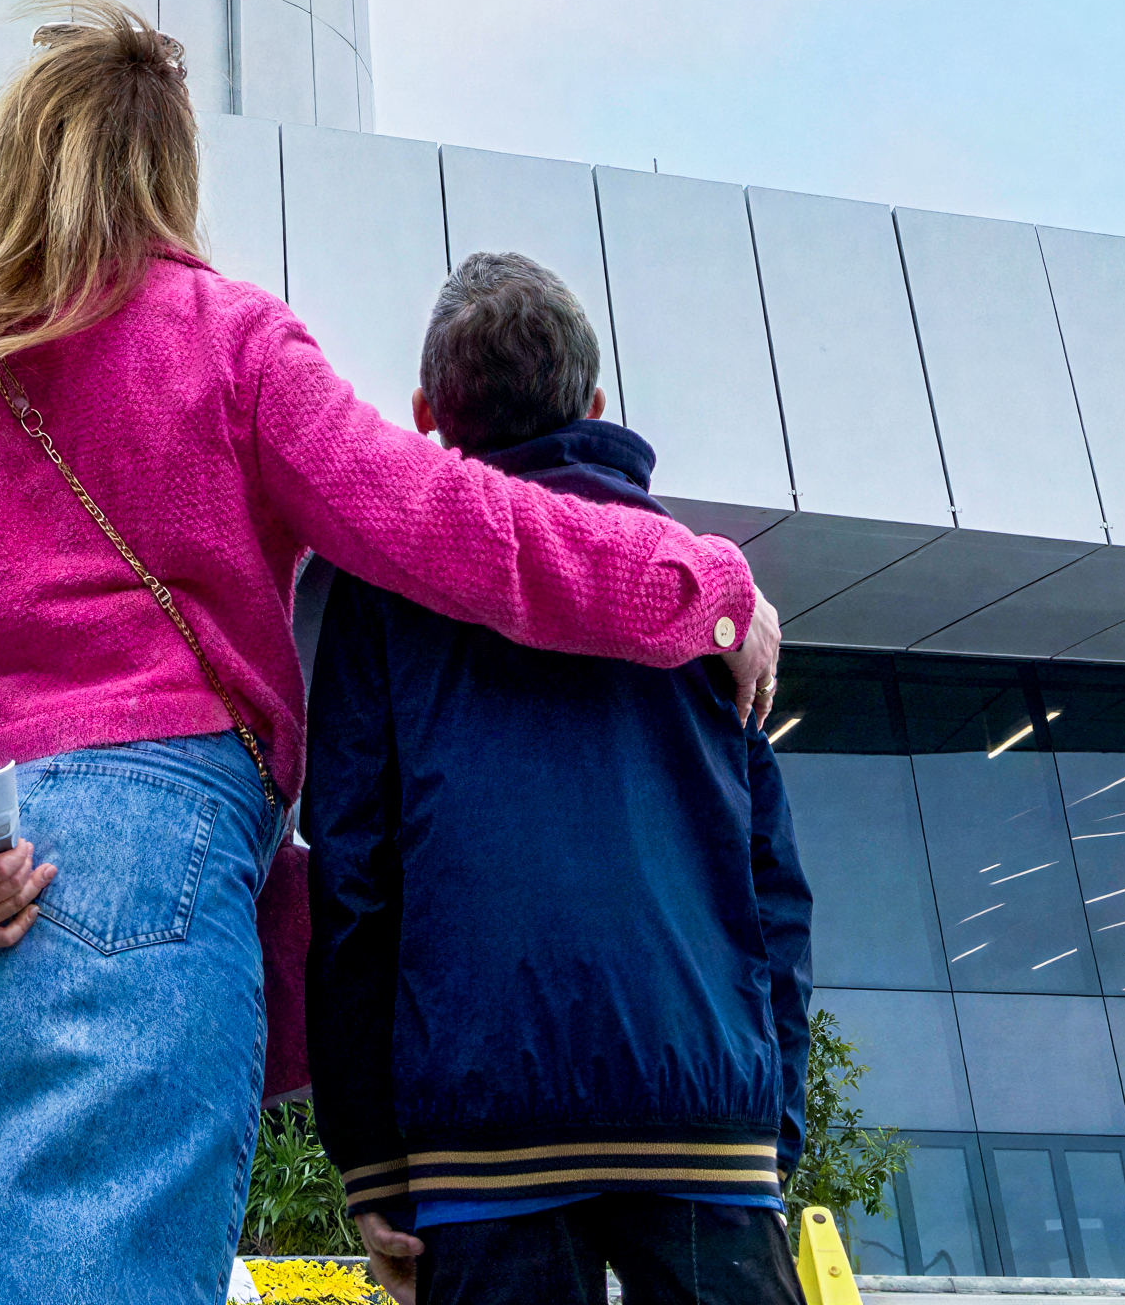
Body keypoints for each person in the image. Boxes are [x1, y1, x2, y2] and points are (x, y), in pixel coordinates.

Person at [0, 0, 784, 1305]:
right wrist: (699, 585)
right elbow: (447, 525)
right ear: (171, 173)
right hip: (146, 869)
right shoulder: (230, 347)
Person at [307, 251, 817, 1305]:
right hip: (705, 1116)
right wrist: (779, 1115)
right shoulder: (698, 584)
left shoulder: (381, 591)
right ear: (594, 401)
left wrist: (370, 1154)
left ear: (426, 413)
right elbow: (770, 878)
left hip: (480, 1140)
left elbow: (351, 875)